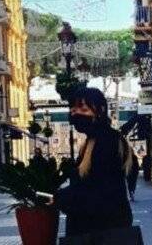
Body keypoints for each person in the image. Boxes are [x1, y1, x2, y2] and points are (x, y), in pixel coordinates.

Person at [53, 87, 135, 242]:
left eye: (83, 109)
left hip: (100, 232)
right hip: (99, 230)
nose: (75, 113)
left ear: (100, 110)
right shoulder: (94, 140)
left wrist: (61, 198)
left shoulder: (106, 142)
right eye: (73, 109)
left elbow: (99, 191)